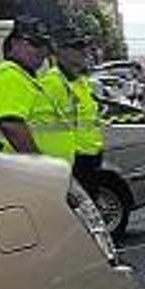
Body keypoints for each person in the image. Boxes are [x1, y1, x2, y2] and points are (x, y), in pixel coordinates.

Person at [0, 17, 75, 164]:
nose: (42, 51)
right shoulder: (10, 75)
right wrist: (39, 163)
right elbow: (11, 125)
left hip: (40, 171)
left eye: (45, 46)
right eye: (35, 44)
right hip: (29, 170)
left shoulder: (25, 77)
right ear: (14, 43)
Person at [42, 30, 105, 191]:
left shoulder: (81, 82)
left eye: (85, 46)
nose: (84, 51)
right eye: (77, 47)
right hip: (72, 163)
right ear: (60, 52)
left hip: (91, 158)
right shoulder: (52, 83)